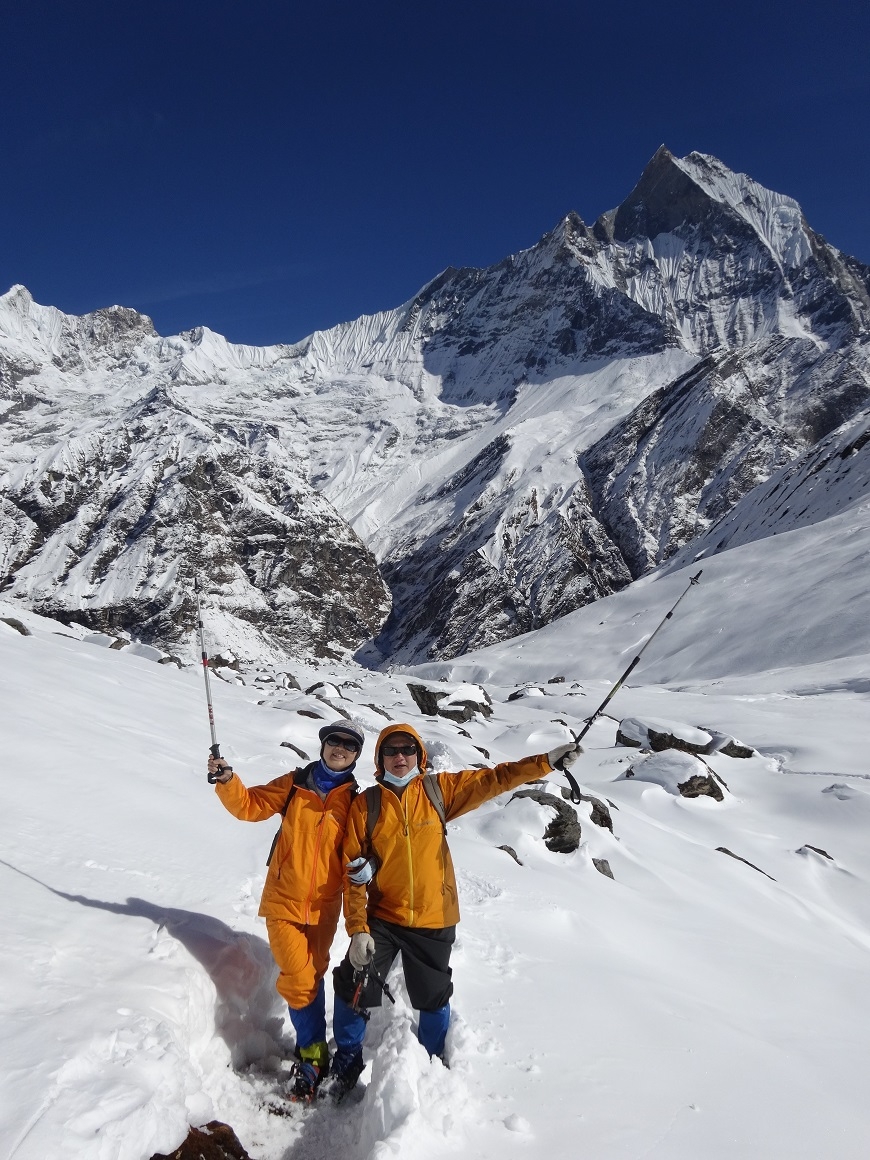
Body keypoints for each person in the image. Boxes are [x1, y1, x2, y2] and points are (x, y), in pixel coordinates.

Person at [325, 721, 581, 1100]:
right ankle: (346, 1062)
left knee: (432, 997)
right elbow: (354, 871)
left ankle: (431, 1063)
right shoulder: (367, 805)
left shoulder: (438, 790)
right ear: (380, 759)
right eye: (391, 750)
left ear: (419, 755)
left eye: (406, 749)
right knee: (352, 985)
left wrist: (546, 762)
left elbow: (496, 779)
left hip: (434, 918)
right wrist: (358, 928)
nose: (399, 756)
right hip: (383, 918)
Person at [208, 719, 365, 1102]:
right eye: (334, 741)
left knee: (314, 974)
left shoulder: (357, 800)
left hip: (325, 908)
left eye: (348, 744)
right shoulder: (295, 784)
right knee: (298, 977)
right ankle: (311, 1058)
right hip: (283, 901)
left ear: (357, 754)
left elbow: (358, 856)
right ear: (323, 745)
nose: (340, 748)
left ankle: (316, 1054)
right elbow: (250, 806)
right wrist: (228, 780)